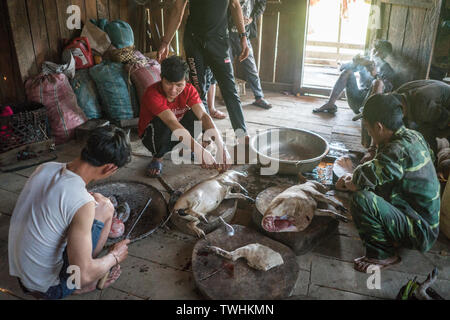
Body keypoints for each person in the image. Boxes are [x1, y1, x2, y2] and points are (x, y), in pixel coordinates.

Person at [8, 125, 132, 299]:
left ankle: (78, 271)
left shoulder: (45, 168)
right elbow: (83, 275)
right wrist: (114, 257)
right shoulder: (83, 203)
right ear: (109, 168)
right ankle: (76, 286)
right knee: (106, 208)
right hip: (48, 288)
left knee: (100, 203)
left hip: (22, 275)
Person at [336, 94, 440, 273]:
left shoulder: (396, 151)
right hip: (423, 218)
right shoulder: (413, 135)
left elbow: (360, 179)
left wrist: (349, 180)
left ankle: (383, 255)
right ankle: (394, 231)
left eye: (368, 128)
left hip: (420, 231)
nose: (368, 133)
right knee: (373, 188)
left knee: (363, 199)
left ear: (379, 127)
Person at [158, 0, 252, 161]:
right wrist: (166, 42)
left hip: (219, 40)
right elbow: (177, 9)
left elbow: (235, 5)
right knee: (198, 92)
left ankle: (242, 137)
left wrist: (243, 37)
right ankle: (206, 135)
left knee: (229, 90)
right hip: (195, 41)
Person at [139, 55, 232, 178]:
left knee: (199, 114)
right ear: (161, 78)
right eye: (168, 83)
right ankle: (158, 157)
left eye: (179, 85)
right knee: (164, 122)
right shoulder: (152, 94)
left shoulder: (189, 90)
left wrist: (221, 147)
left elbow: (203, 116)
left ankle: (186, 150)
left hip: (177, 132)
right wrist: (199, 150)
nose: (173, 90)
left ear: (186, 81)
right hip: (153, 136)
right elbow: (171, 122)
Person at [355, 79, 450, 161]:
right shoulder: (398, 97)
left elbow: (437, 131)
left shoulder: (421, 107)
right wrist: (373, 149)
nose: (369, 132)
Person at [313, 40, 395, 115]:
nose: (376, 54)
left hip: (370, 106)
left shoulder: (387, 69)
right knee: (347, 72)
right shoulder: (365, 61)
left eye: (380, 52)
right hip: (355, 99)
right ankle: (330, 104)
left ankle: (368, 118)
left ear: (385, 55)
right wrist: (355, 62)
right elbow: (342, 68)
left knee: (377, 83)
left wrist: (375, 75)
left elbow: (387, 89)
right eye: (375, 50)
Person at [228, 0, 272, 109]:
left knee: (251, 66)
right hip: (226, 32)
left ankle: (259, 97)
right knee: (227, 67)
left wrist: (252, 18)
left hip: (244, 34)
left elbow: (261, 4)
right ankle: (229, 98)